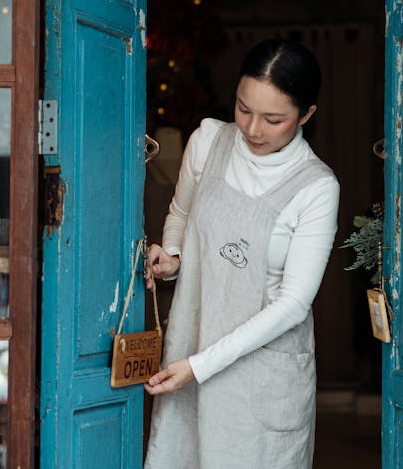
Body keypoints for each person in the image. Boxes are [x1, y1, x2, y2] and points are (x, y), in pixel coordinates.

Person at [143, 38, 340, 468]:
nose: (252, 129)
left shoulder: (316, 187)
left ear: (306, 115)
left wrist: (199, 365)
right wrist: (174, 257)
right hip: (191, 349)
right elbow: (180, 213)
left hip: (261, 375)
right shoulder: (209, 141)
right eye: (243, 108)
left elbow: (292, 305)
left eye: (273, 119)